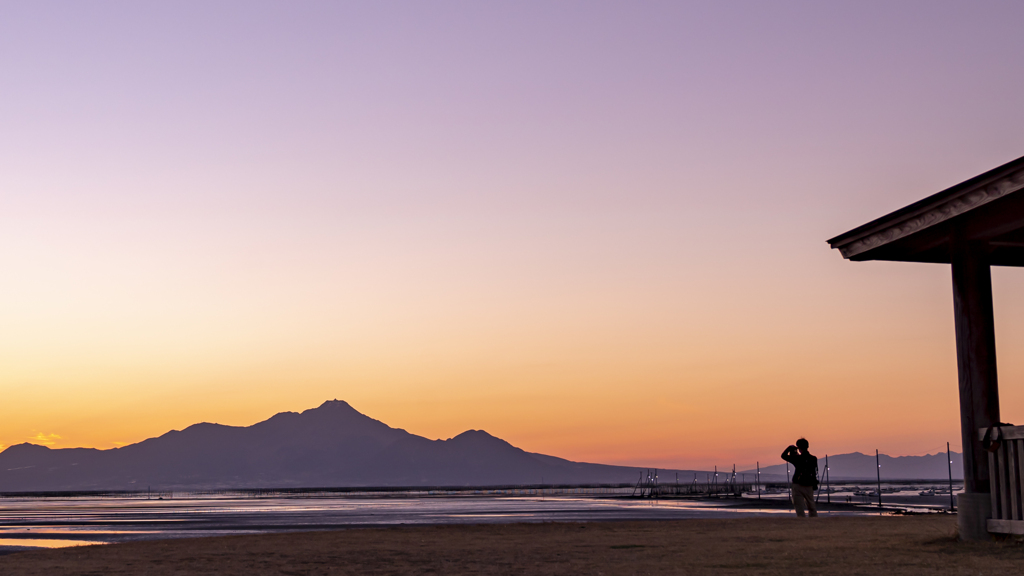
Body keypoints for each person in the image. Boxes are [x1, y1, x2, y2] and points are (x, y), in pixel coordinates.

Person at [781, 438, 818, 517]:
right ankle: (814, 521)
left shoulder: (797, 458)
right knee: (811, 505)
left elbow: (783, 456)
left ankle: (801, 522)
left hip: (797, 484)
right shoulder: (813, 458)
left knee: (799, 507)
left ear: (799, 448)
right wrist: (814, 484)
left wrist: (789, 448)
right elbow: (814, 472)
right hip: (809, 484)